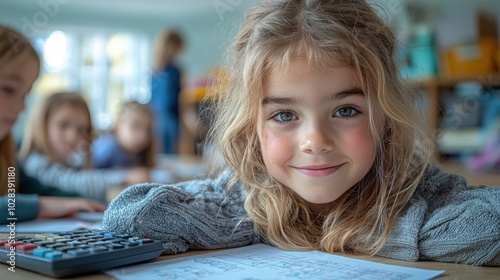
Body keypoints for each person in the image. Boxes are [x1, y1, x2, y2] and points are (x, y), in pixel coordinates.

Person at [102, 0, 500, 266]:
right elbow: (130, 215)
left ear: (385, 116)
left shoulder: (411, 188)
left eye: (346, 110)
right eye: (285, 115)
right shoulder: (244, 194)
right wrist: (259, 226)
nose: (315, 140)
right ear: (250, 125)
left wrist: (358, 233)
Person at [0, 24, 106, 223]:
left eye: (26, 94)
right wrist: (41, 205)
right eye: (9, 89)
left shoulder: (6, 154)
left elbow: (41, 190)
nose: (22, 107)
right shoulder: (34, 159)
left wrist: (99, 204)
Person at [18, 92, 150, 200]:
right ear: (41, 125)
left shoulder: (72, 162)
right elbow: (72, 183)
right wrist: (125, 176)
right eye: (63, 125)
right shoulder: (34, 163)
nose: (72, 136)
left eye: (81, 130)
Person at [92, 101, 155, 169]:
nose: (143, 136)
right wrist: (125, 176)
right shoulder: (108, 148)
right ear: (119, 125)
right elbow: (90, 175)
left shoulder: (137, 154)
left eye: (148, 130)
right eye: (136, 126)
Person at [150, 29, 184, 154]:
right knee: (165, 150)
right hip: (163, 116)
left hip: (163, 115)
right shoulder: (172, 71)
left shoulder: (157, 71)